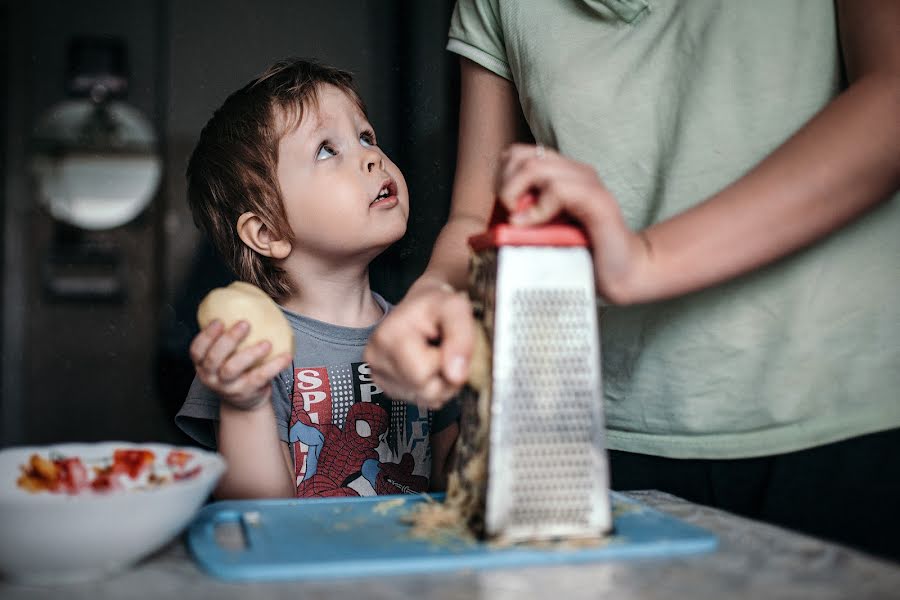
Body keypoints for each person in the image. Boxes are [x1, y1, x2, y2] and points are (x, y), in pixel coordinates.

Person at [364, 1, 900, 559]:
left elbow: (890, 103)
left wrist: (645, 259)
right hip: (602, 440)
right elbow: (478, 216)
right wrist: (431, 295)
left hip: (842, 421)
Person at [175, 58, 458, 500]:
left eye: (366, 136)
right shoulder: (253, 351)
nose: (371, 156)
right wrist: (245, 404)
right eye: (327, 149)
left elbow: (454, 483)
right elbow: (258, 513)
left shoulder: (421, 330)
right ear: (268, 231)